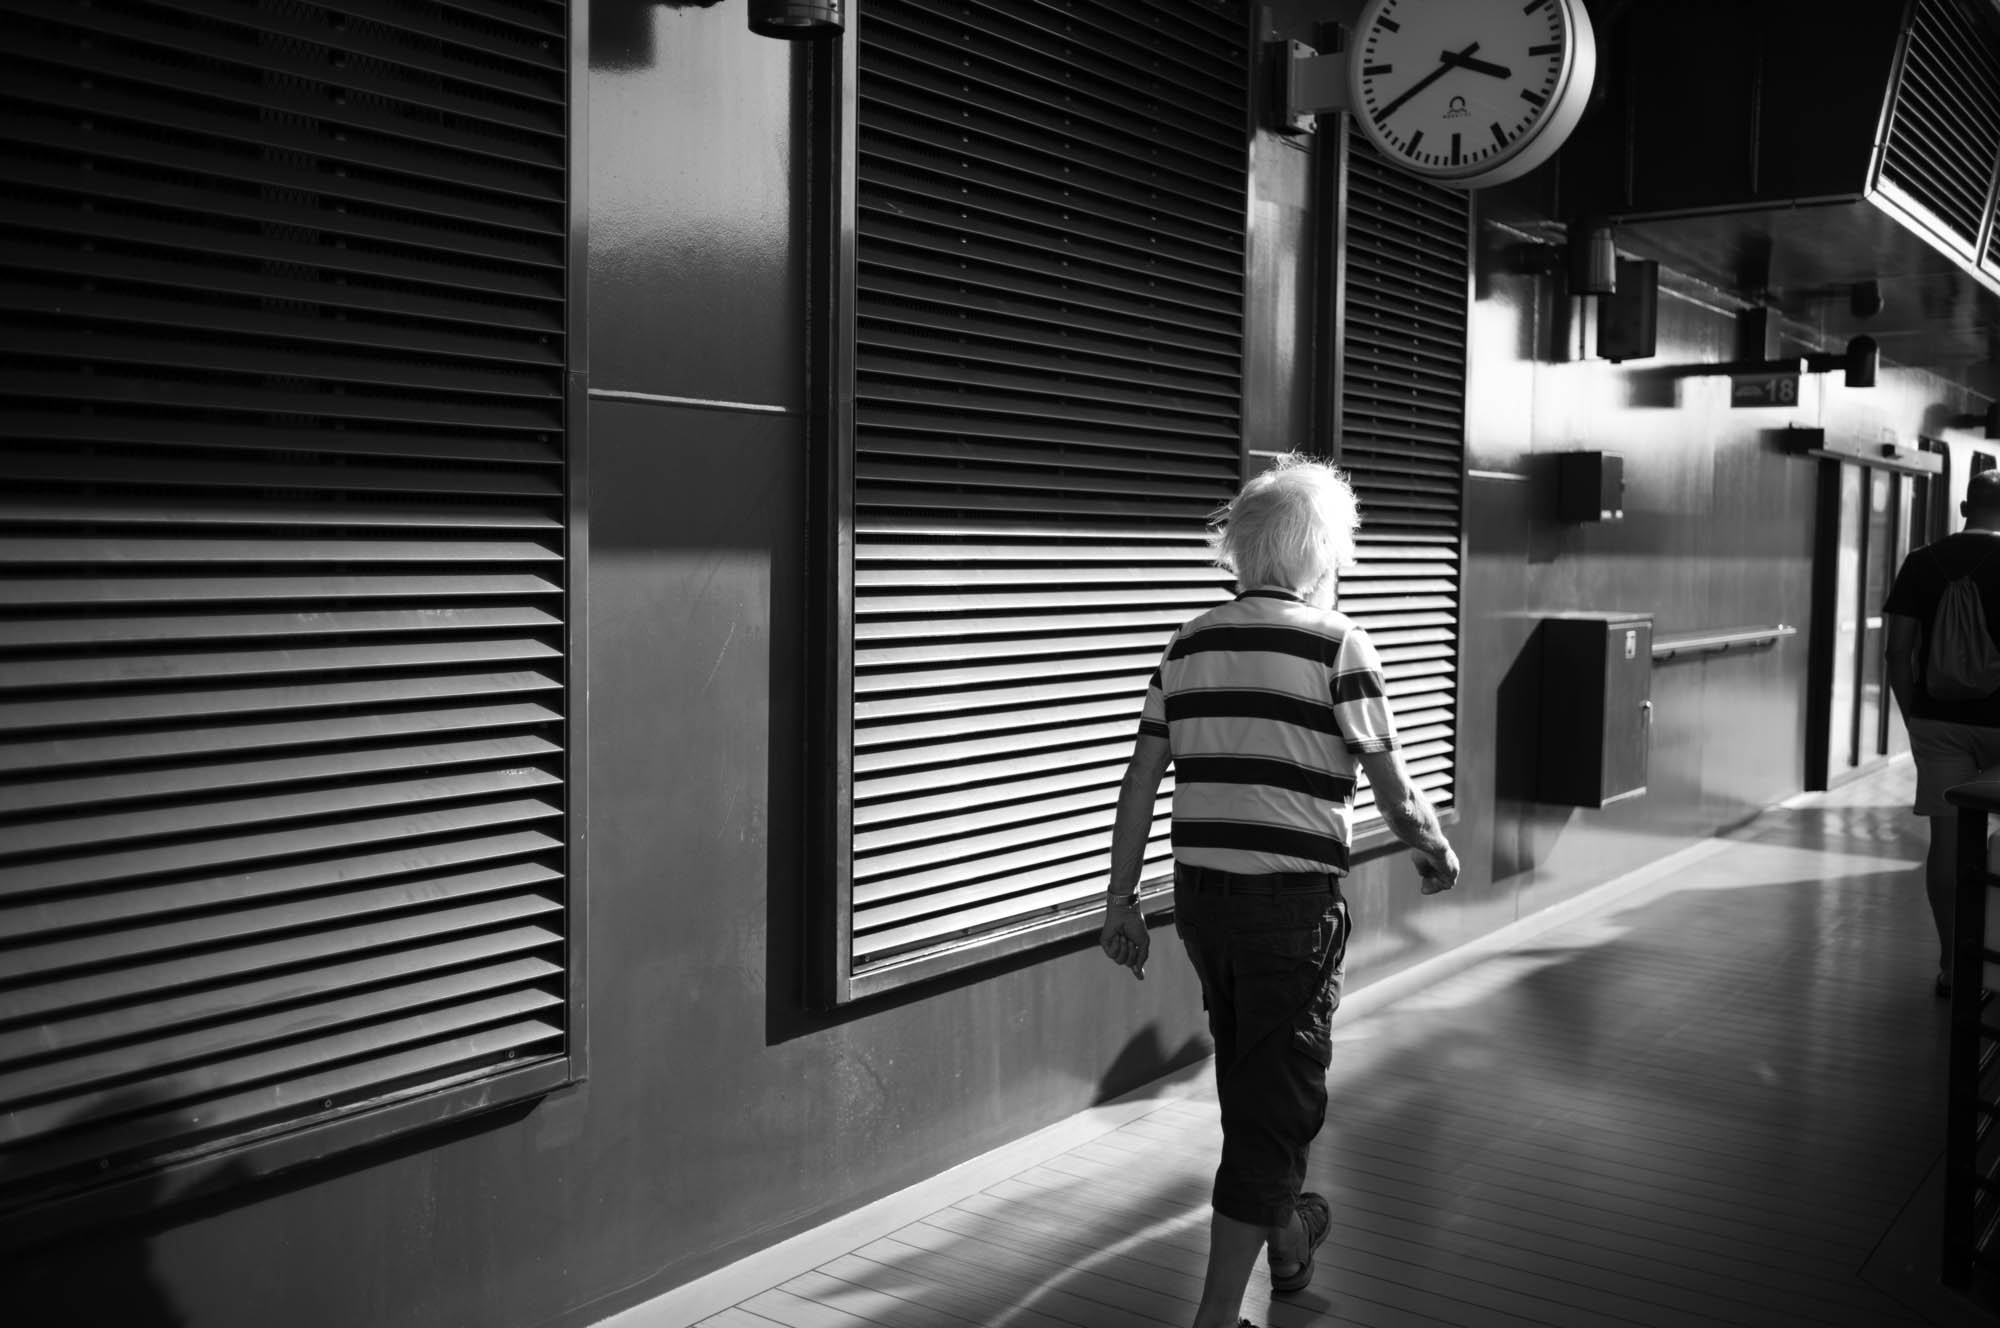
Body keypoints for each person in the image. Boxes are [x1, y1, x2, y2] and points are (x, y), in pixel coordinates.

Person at [1098, 455, 1460, 1328]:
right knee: (1276, 1103)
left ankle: (1290, 1238)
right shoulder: (1340, 644)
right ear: (1320, 554)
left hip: (1203, 902)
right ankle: (1218, 1317)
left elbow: (1141, 780)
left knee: (1255, 1079)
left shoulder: (1188, 642)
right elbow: (1394, 788)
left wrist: (1121, 901)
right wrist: (1433, 849)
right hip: (1290, 906)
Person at [1885, 467, 2000, 996]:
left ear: (1963, 508)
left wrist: (1916, 720)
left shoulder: (1921, 562)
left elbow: (1898, 652)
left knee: (1948, 845)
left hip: (1939, 722)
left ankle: (1956, 967)